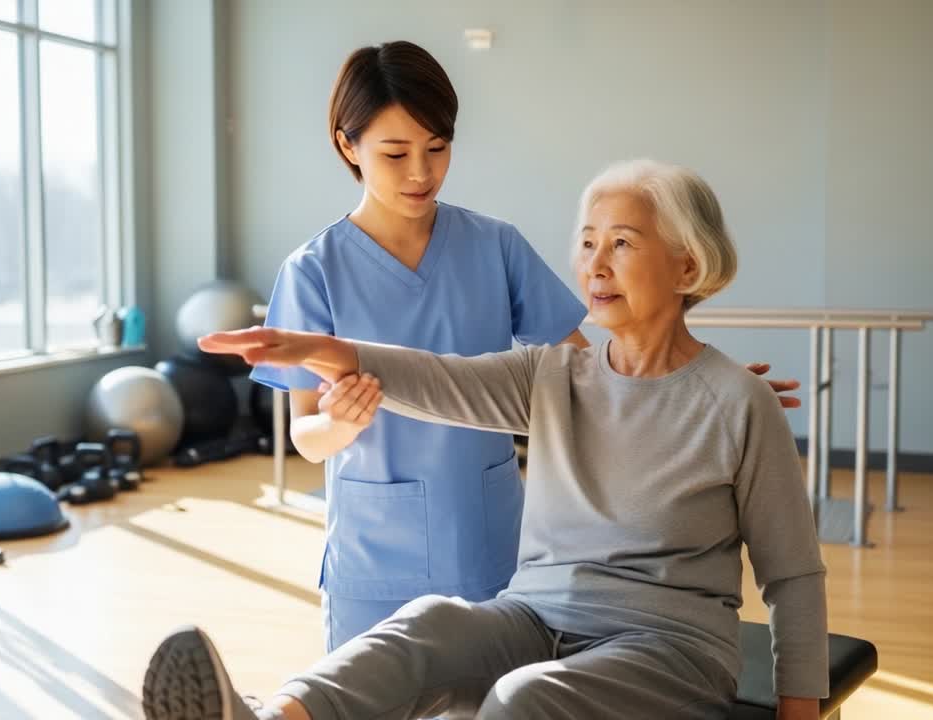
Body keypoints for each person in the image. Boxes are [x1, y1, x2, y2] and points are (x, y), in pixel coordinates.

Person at [144, 159, 827, 720]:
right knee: (429, 624)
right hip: (536, 616)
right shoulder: (554, 375)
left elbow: (793, 577)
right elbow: (437, 379)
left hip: (668, 648)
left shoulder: (739, 402)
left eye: (622, 242)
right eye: (587, 242)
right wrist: (320, 349)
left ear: (686, 267)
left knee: (520, 700)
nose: (594, 263)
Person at [248, 40, 800, 654]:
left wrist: (695, 388)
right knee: (364, 690)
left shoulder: (495, 245)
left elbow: (591, 377)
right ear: (348, 146)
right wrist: (339, 424)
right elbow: (305, 435)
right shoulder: (312, 271)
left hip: (493, 546)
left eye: (437, 148)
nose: (421, 173)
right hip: (376, 557)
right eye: (396, 153)